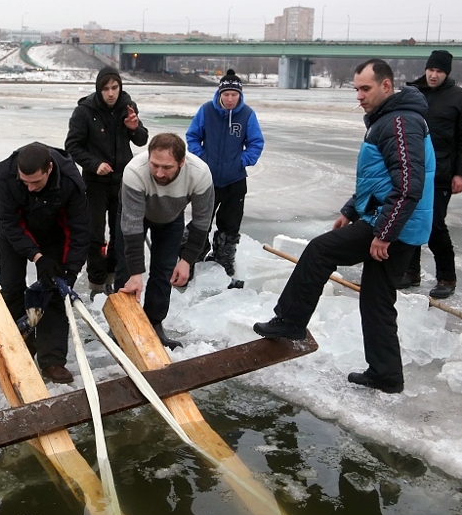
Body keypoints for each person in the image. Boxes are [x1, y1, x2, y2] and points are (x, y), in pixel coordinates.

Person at [253, 59, 435, 394]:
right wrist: (352, 209)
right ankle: (386, 374)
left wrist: (384, 233)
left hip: (393, 224)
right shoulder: (392, 118)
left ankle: (290, 321)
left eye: (365, 89)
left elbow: (408, 184)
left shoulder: (399, 121)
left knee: (320, 250)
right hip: (397, 222)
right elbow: (378, 177)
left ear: (386, 86)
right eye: (357, 90)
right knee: (377, 301)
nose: (360, 96)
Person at [0, 142, 90, 383]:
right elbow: (9, 224)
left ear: (49, 169)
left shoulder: (70, 180)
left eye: (36, 182)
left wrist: (71, 270)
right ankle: (22, 347)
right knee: (12, 288)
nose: (31, 187)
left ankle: (52, 361)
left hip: (53, 231)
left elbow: (79, 230)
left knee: (55, 291)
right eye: (25, 182)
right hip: (15, 232)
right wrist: (37, 257)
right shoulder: (6, 176)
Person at [115, 133, 214, 350]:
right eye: (155, 165)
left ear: (181, 162)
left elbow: (201, 221)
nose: (159, 173)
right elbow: (131, 226)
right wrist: (135, 273)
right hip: (136, 214)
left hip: (171, 217)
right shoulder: (134, 171)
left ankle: (154, 324)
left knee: (164, 270)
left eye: (167, 167)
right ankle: (121, 324)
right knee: (125, 270)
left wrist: (187, 260)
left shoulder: (199, 174)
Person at [65, 67, 148, 296]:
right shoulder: (84, 111)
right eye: (105, 89)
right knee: (95, 233)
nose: (111, 93)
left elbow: (142, 140)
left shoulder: (127, 107)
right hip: (95, 183)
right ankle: (97, 284)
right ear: (98, 89)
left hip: (124, 179)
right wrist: (94, 164)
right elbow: (72, 146)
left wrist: (135, 128)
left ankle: (112, 276)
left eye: (115, 88)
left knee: (120, 232)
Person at [402, 50, 462, 298]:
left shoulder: (461, 98)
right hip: (413, 169)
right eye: (431, 70)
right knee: (410, 220)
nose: (434, 75)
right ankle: (410, 272)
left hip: (442, 174)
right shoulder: (412, 93)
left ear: (447, 73)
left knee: (434, 225)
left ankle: (446, 277)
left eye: (439, 71)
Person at [185, 68, 264, 281]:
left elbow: (256, 142)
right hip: (207, 180)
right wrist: (201, 157)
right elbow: (192, 136)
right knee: (201, 221)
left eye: (234, 95)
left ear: (240, 95)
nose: (230, 99)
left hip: (235, 181)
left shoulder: (247, 114)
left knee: (230, 226)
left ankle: (224, 261)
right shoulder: (206, 111)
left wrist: (243, 161)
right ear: (220, 94)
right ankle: (194, 256)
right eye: (226, 94)